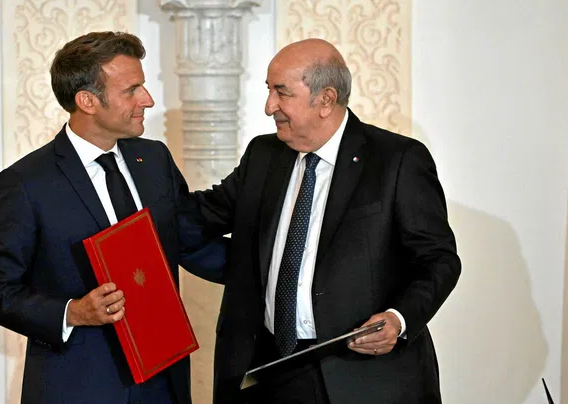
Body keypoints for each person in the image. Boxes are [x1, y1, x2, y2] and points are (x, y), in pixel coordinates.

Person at [193, 38, 461, 403]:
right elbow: (201, 217)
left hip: (365, 379)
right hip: (268, 373)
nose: (269, 106)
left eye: (281, 92)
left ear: (326, 99)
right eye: (269, 90)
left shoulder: (397, 161)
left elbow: (439, 260)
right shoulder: (263, 155)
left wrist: (398, 319)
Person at [0, 31, 225, 404]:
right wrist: (73, 312)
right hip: (80, 386)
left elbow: (186, 241)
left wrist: (281, 272)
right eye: (132, 90)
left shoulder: (154, 159)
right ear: (87, 101)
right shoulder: (27, 183)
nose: (147, 100)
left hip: (162, 383)